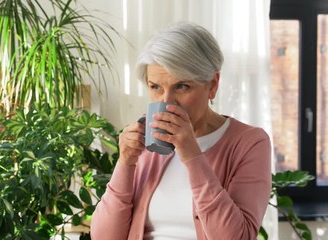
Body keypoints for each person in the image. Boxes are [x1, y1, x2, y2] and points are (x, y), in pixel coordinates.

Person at [90, 22, 272, 240]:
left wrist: (192, 155)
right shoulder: (145, 141)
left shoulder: (250, 143)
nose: (167, 101)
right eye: (155, 87)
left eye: (182, 86)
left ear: (212, 85)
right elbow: (103, 237)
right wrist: (125, 163)